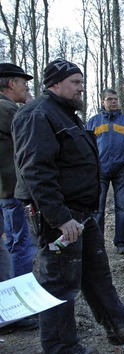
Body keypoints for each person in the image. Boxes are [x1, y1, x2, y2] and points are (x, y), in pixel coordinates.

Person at [12, 57, 124, 353]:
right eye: (75, 83)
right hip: (61, 218)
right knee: (60, 283)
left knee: (97, 274)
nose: (82, 88)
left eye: (82, 82)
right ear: (54, 83)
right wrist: (59, 218)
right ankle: (61, 347)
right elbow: (36, 171)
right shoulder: (38, 114)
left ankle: (121, 328)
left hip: (83, 214)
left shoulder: (67, 114)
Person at [86, 89, 124, 254]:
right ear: (103, 102)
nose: (113, 102)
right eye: (109, 99)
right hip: (99, 171)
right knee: (98, 208)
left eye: (115, 99)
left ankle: (121, 242)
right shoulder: (93, 122)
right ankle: (97, 243)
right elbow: (85, 146)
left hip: (121, 170)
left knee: (122, 207)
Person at [0, 63, 37, 277]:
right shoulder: (6, 108)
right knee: (21, 244)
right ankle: (20, 298)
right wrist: (32, 107)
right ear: (12, 83)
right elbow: (30, 138)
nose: (27, 89)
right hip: (11, 192)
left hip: (5, 190)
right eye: (24, 84)